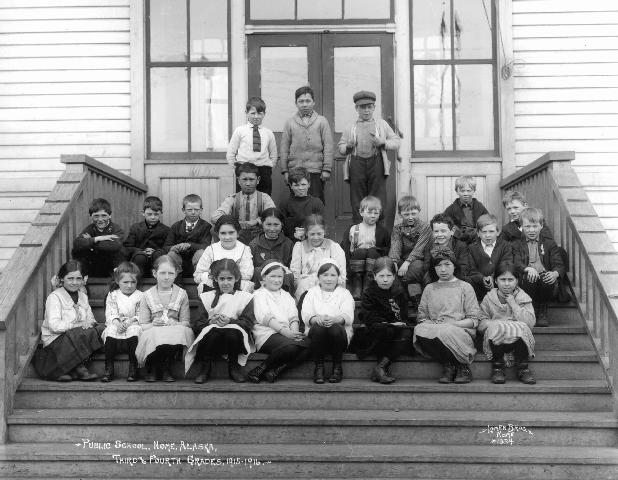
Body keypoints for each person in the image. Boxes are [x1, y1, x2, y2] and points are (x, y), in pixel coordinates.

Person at [413, 248, 481, 384]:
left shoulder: (465, 287)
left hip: (459, 329)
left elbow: (474, 319)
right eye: (438, 265)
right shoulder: (429, 288)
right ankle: (450, 364)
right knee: (419, 330)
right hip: (436, 328)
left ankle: (460, 366)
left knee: (447, 331)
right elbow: (422, 317)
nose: (443, 269)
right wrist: (433, 324)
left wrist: (451, 325)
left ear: (454, 266)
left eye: (447, 264)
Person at [185, 259, 254, 384]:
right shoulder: (206, 297)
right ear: (216, 279)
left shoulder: (245, 298)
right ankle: (206, 367)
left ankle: (233, 366)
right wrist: (210, 322)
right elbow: (197, 325)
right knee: (213, 333)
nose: (226, 282)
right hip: (211, 340)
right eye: (222, 279)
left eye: (229, 278)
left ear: (237, 278)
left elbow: (248, 323)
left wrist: (231, 321)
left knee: (231, 333)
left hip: (234, 340)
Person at [338, 90, 401, 223]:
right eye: (362, 107)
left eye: (369, 107)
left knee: (378, 199)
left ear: (374, 107)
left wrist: (383, 142)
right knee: (357, 200)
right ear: (357, 108)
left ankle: (378, 233)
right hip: (356, 164)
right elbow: (341, 147)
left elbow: (396, 141)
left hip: (376, 163)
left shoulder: (382, 124)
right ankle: (358, 232)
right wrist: (348, 146)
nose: (366, 111)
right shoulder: (350, 126)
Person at [33, 260, 101, 381]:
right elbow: (54, 326)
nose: (75, 282)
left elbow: (91, 318)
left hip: (77, 336)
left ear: (83, 279)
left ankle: (72, 368)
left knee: (100, 329)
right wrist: (79, 325)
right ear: (62, 279)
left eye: (78, 278)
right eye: (70, 278)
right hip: (57, 341)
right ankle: (77, 369)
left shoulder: (83, 297)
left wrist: (88, 324)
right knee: (78, 333)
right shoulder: (54, 297)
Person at [247, 262, 309, 383]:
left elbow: (293, 317)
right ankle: (262, 368)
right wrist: (287, 333)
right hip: (267, 334)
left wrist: (294, 333)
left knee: (311, 345)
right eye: (272, 276)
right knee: (292, 346)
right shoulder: (258, 295)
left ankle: (276, 370)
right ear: (264, 277)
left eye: (279, 276)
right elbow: (265, 318)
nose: (276, 280)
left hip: (287, 334)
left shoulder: (287, 296)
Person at [136, 255, 194, 382]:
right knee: (153, 333)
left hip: (173, 329)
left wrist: (176, 322)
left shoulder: (182, 294)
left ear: (176, 274)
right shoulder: (146, 295)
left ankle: (166, 368)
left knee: (179, 332)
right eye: (162, 273)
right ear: (154, 273)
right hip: (154, 329)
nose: (166, 277)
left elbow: (186, 322)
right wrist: (153, 323)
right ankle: (153, 366)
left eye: (170, 273)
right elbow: (143, 323)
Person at [478, 261, 536, 384]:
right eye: (502, 279)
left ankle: (523, 368)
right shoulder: (489, 298)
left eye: (511, 279)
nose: (506, 284)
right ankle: (498, 367)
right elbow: (481, 323)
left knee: (521, 327)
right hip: (496, 340)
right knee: (496, 326)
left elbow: (530, 323)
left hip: (517, 341)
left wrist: (514, 304)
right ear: (495, 281)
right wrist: (499, 323)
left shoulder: (522, 297)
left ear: (517, 281)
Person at [356, 257, 411, 384]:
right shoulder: (369, 292)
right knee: (387, 330)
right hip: (373, 331)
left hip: (394, 329)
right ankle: (381, 370)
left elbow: (404, 316)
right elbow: (369, 317)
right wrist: (389, 323)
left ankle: (381, 366)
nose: (385, 279)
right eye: (381, 276)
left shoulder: (400, 292)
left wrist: (398, 323)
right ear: (374, 276)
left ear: (394, 276)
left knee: (407, 333)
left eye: (389, 275)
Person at [301, 259, 355, 384]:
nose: (329, 279)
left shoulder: (344, 293)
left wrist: (335, 319)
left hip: (338, 337)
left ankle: (337, 367)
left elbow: (348, 315)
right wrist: (316, 318)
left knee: (334, 328)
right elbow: (306, 314)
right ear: (319, 277)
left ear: (338, 277)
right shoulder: (311, 293)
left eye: (332, 275)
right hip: (317, 337)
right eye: (325, 275)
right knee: (319, 327)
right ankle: (319, 367)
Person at [280, 86, 334, 203]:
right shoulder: (290, 123)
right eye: (301, 101)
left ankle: (316, 222)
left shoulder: (322, 121)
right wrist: (285, 171)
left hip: (316, 171)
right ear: (296, 103)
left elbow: (328, 147)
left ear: (313, 102)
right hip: (295, 170)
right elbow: (284, 148)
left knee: (316, 200)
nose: (304, 104)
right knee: (297, 202)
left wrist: (327, 169)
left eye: (308, 101)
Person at [512, 207, 565, 327]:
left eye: (535, 226)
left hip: (544, 281)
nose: (531, 230)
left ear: (541, 226)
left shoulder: (549, 244)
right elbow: (516, 262)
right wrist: (527, 268)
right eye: (527, 226)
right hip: (527, 280)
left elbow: (559, 265)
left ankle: (542, 309)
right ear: (521, 227)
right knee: (530, 278)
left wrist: (555, 273)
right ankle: (532, 307)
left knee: (546, 278)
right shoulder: (516, 244)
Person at [211, 162, 276, 244]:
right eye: (244, 179)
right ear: (238, 180)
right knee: (214, 229)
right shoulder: (232, 198)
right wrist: (234, 223)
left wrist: (257, 221)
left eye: (251, 180)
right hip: (238, 235)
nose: (248, 183)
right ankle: (225, 252)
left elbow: (273, 216)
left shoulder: (264, 197)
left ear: (258, 180)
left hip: (258, 234)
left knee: (275, 228)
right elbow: (214, 217)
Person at [340, 196, 391, 300]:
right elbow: (345, 247)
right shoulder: (353, 229)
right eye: (369, 212)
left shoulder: (382, 231)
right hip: (357, 260)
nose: (372, 216)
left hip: (373, 261)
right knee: (360, 252)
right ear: (361, 212)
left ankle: (368, 286)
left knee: (372, 252)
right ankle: (357, 286)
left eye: (376, 213)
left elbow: (386, 248)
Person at [101, 261, 143, 382]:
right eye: (125, 282)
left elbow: (141, 314)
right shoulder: (113, 295)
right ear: (117, 281)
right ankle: (109, 368)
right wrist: (117, 323)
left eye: (133, 282)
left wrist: (131, 322)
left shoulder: (141, 296)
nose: (129, 285)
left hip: (133, 323)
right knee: (110, 330)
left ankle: (133, 367)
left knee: (134, 330)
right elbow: (110, 312)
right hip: (117, 323)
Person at [226, 96, 277, 195]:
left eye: (259, 113)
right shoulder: (240, 131)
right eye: (252, 113)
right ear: (246, 113)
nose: (256, 116)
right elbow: (231, 153)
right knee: (243, 199)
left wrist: (268, 170)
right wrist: (237, 170)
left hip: (263, 170)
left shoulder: (268, 133)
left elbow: (273, 155)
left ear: (264, 114)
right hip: (244, 170)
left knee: (264, 198)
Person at [290, 214, 346, 301]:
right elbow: (295, 273)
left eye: (319, 234)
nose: (316, 238)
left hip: (328, 284)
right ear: (306, 233)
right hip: (305, 286)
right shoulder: (299, 247)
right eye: (312, 234)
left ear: (325, 231)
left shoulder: (333, 247)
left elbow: (341, 273)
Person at [388, 195, 432, 303]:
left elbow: (419, 247)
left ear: (419, 211)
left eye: (413, 213)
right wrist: (394, 261)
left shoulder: (425, 227)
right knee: (390, 265)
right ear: (400, 214)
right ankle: (413, 295)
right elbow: (395, 245)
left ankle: (401, 288)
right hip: (402, 260)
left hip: (417, 259)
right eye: (406, 214)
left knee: (417, 267)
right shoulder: (398, 228)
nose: (410, 217)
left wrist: (407, 262)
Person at [193, 215, 254, 293]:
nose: (227, 237)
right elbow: (198, 275)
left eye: (231, 233)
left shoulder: (244, 249)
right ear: (218, 234)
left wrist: (226, 277)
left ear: (238, 233)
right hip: (214, 285)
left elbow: (247, 275)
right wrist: (214, 277)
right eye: (223, 233)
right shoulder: (211, 249)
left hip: (236, 287)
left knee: (246, 285)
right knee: (203, 285)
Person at [410, 213, 470, 287]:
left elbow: (463, 267)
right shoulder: (430, 245)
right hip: (435, 277)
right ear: (432, 232)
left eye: (443, 231)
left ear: (452, 231)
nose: (439, 235)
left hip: (454, 278)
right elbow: (427, 266)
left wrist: (451, 279)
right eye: (436, 231)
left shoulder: (460, 246)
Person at [465, 214, 513, 302]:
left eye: (491, 231)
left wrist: (493, 277)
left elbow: (506, 264)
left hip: (499, 284)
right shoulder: (472, 248)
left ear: (498, 232)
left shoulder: (505, 246)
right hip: (479, 286)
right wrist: (482, 279)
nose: (487, 235)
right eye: (484, 232)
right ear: (478, 233)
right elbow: (471, 269)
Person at [164, 194, 212, 280]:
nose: (193, 212)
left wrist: (190, 245)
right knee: (171, 254)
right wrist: (174, 247)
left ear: (201, 210)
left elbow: (206, 246)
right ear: (183, 210)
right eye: (189, 210)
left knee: (202, 252)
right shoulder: (176, 226)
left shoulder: (206, 226)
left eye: (196, 209)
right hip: (180, 262)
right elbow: (166, 246)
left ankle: (199, 282)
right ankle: (176, 283)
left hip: (196, 262)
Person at [72, 198, 124, 277]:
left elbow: (115, 246)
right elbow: (77, 243)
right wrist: (98, 238)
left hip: (110, 266)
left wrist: (91, 243)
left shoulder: (116, 229)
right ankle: (82, 277)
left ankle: (117, 279)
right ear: (91, 217)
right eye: (96, 216)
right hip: (94, 266)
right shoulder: (90, 229)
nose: (100, 219)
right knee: (77, 250)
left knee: (119, 252)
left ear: (110, 215)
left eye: (104, 216)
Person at [123, 196, 170, 277]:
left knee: (159, 256)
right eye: (149, 214)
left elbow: (167, 247)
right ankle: (136, 283)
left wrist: (155, 251)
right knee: (140, 257)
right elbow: (127, 247)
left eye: (156, 214)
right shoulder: (136, 228)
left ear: (161, 213)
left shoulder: (166, 230)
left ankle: (159, 282)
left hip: (156, 260)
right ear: (143, 213)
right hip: (139, 262)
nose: (152, 217)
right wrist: (142, 251)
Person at [249, 208, 294, 291]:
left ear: (282, 224)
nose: (272, 229)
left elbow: (290, 266)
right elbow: (251, 269)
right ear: (262, 224)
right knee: (257, 270)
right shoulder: (254, 244)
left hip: (281, 282)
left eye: (276, 225)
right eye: (268, 224)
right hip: (261, 284)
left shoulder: (288, 243)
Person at [279, 166, 325, 241]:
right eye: (296, 185)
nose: (300, 188)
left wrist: (307, 232)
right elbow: (281, 227)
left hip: (313, 241)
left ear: (309, 184)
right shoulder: (285, 204)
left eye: (303, 184)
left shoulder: (316, 203)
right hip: (290, 242)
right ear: (290, 186)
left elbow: (322, 225)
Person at [443, 176, 489, 244]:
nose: (466, 194)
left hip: (478, 242)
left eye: (468, 191)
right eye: (462, 191)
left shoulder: (480, 208)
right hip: (457, 243)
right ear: (457, 191)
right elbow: (446, 226)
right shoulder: (450, 210)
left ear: (474, 191)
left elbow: (488, 223)